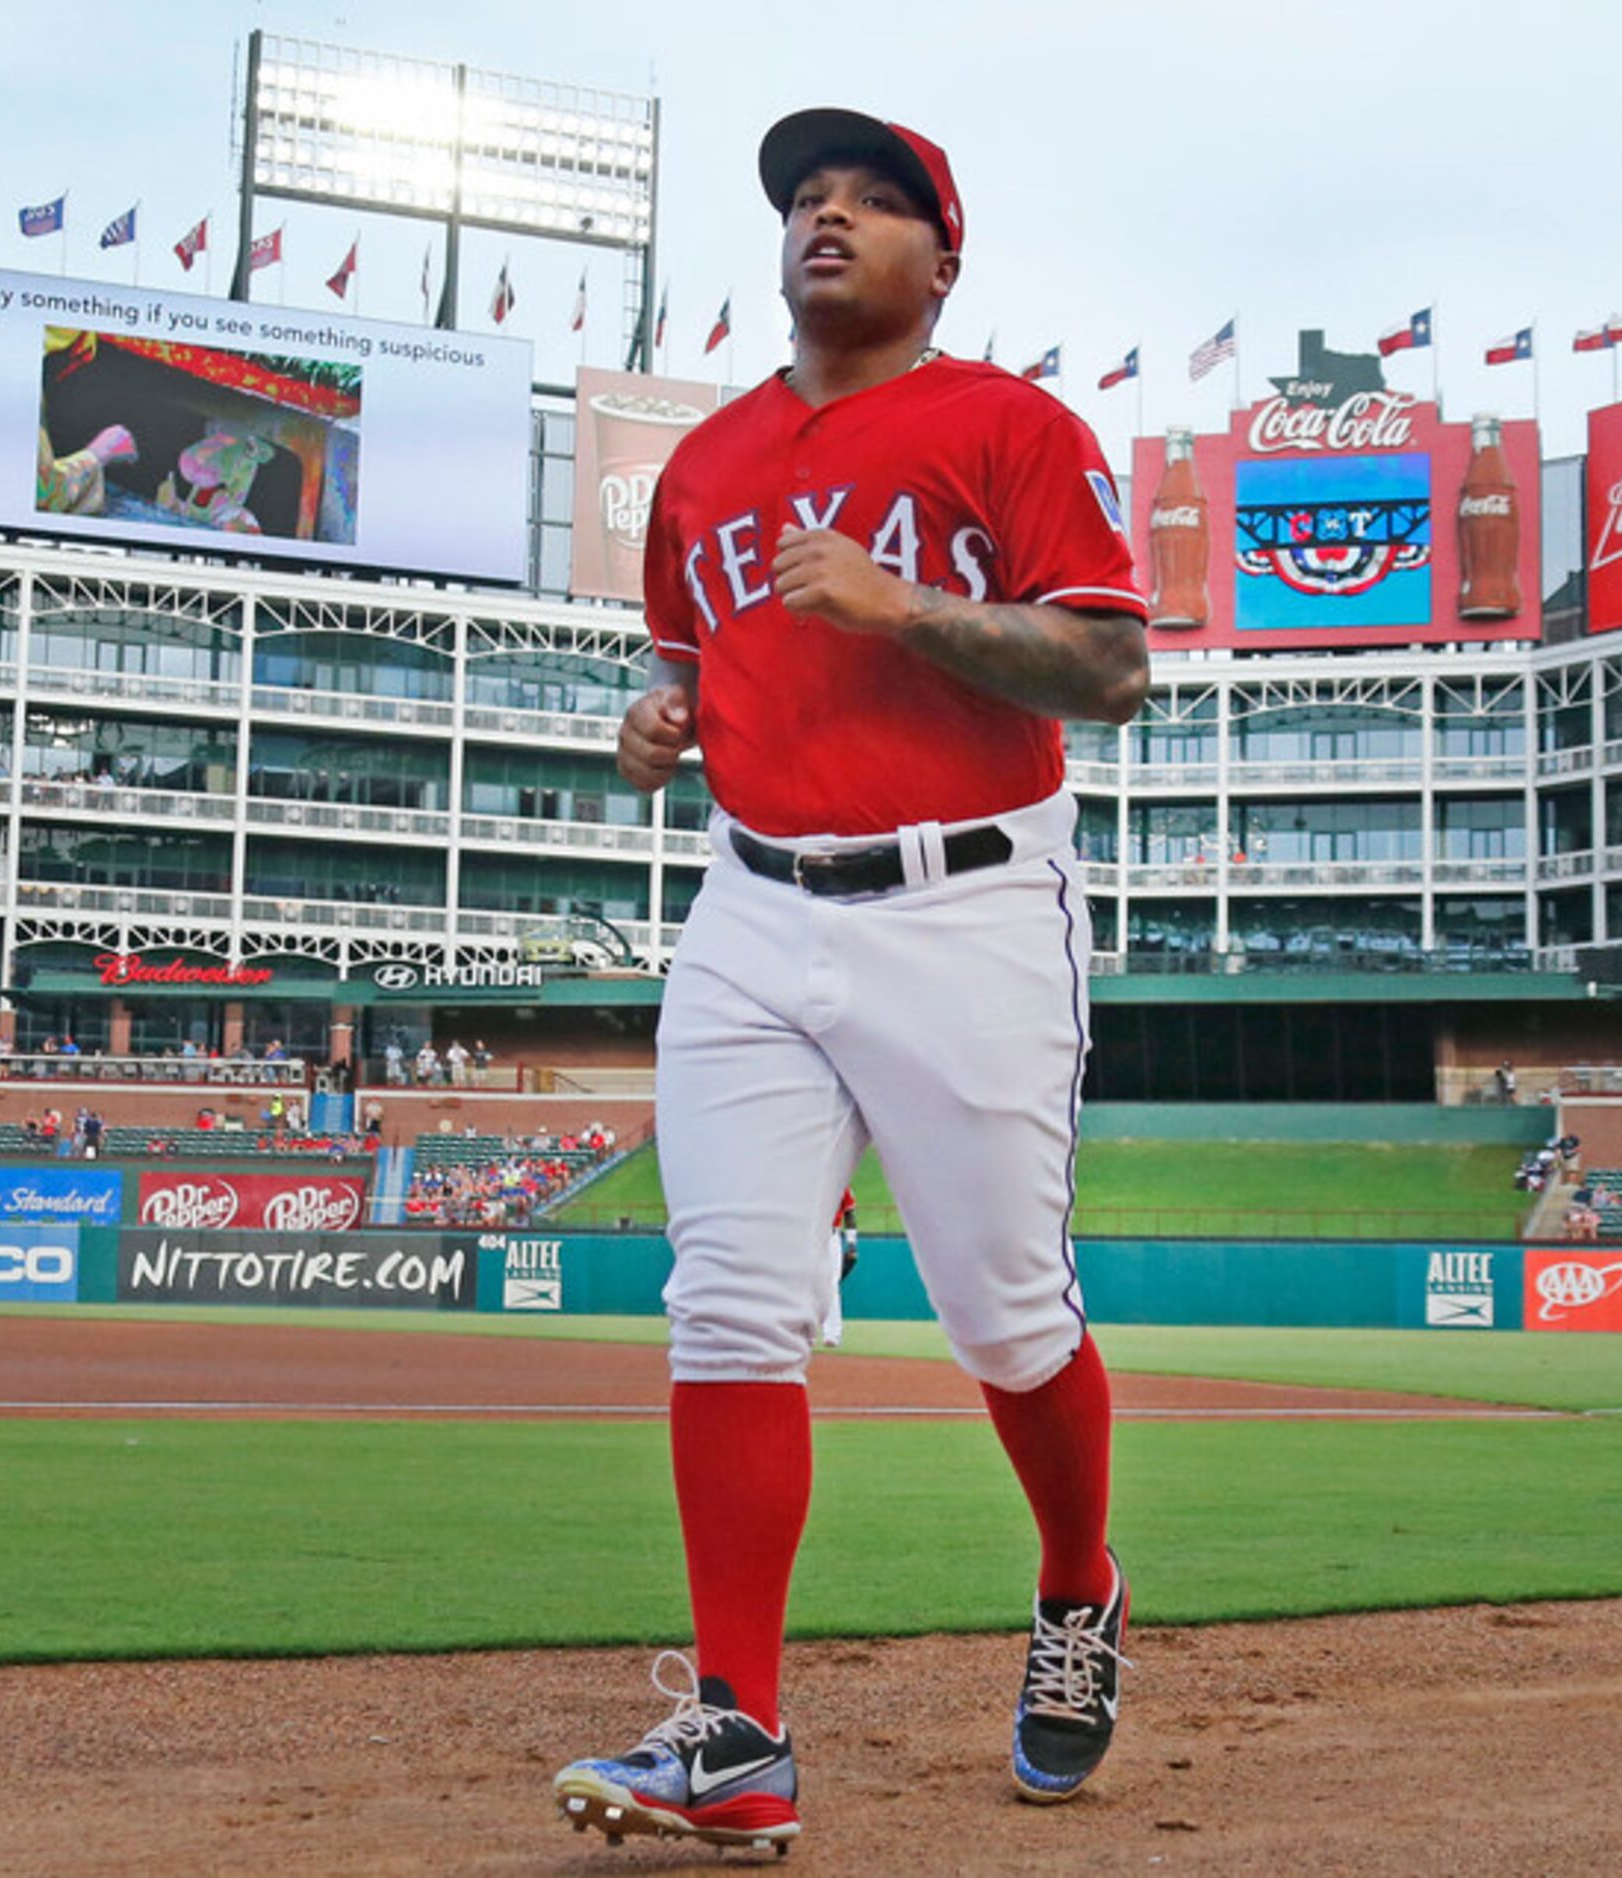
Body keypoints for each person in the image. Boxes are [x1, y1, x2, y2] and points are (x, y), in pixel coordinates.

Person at [551, 108, 1149, 1852]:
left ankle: (1072, 1584)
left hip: (961, 900)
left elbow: (1107, 667)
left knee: (1002, 1309)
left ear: (937, 261)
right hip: (746, 906)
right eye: (805, 199)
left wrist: (897, 607)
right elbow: (688, 669)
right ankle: (734, 1733)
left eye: (870, 202)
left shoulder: (1004, 423)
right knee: (729, 1298)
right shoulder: (703, 464)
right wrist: (651, 727)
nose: (826, 217)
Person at [816, 1188, 860, 1349]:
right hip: (811, 1235)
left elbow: (850, 1214)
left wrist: (852, 1244)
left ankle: (832, 1334)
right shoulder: (809, 1181)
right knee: (808, 1285)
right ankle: (807, 1333)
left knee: (832, 1285)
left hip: (831, 1236)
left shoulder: (842, 1186)